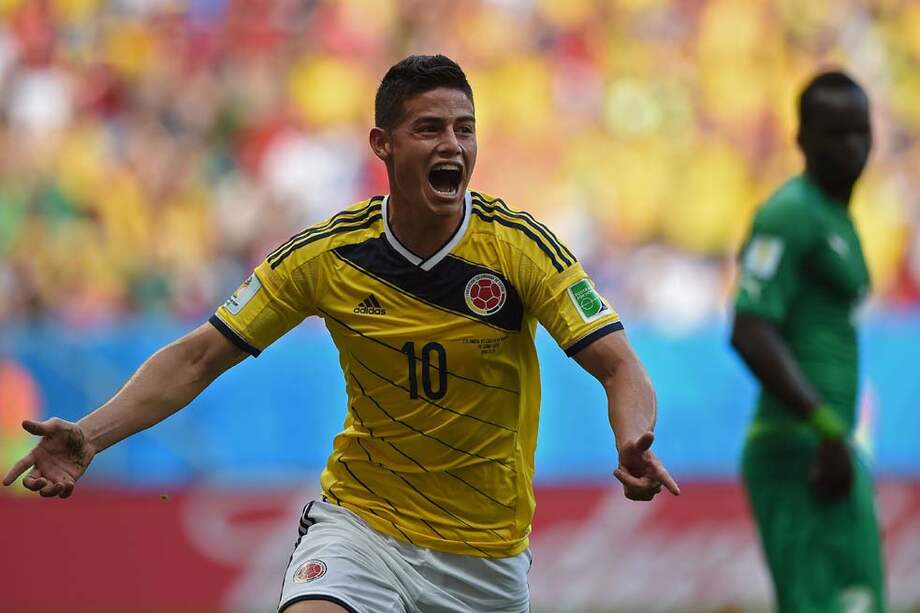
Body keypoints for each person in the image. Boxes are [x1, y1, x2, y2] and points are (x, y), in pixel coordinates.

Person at [3, 55, 679, 613]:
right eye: (430, 128)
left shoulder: (522, 249)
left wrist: (632, 437)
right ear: (382, 145)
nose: (452, 145)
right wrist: (91, 433)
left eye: (465, 129)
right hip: (363, 527)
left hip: (485, 559)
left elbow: (620, 367)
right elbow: (199, 357)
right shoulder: (325, 255)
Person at [730, 71, 885, 613]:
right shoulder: (790, 213)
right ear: (802, 140)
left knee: (860, 602)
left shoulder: (835, 218)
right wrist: (822, 428)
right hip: (800, 447)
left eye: (860, 131)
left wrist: (837, 436)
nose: (853, 146)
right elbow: (749, 327)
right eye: (835, 133)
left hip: (833, 444)